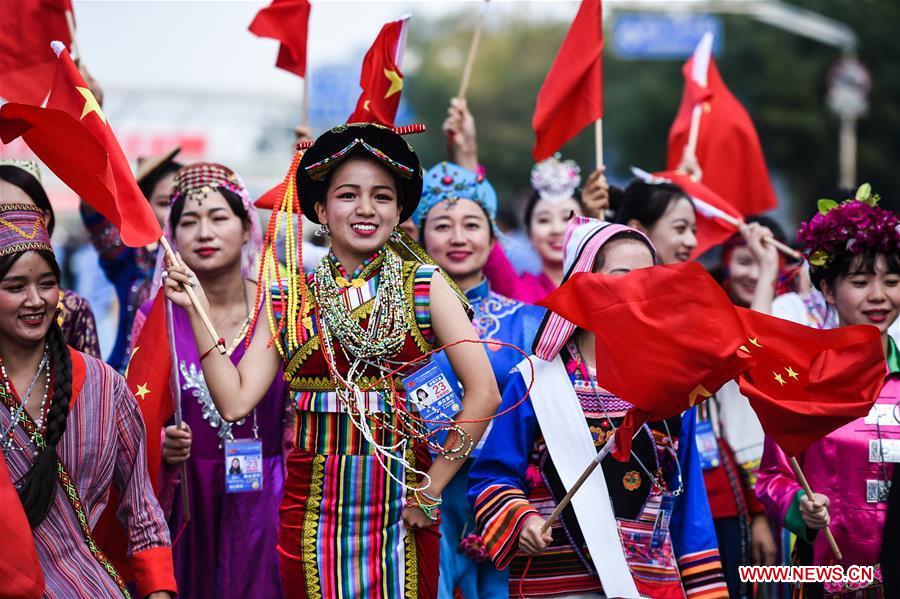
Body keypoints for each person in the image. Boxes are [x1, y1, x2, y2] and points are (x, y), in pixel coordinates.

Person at [163, 123, 501, 598]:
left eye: (382, 197)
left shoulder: (426, 285)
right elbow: (235, 401)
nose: (366, 209)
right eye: (348, 195)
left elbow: (484, 392)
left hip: (402, 510)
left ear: (399, 209)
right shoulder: (287, 298)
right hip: (310, 518)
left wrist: (432, 490)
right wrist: (196, 307)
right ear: (321, 209)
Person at [468, 217, 728, 598]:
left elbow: (690, 507)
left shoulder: (673, 388)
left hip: (652, 585)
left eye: (649, 279)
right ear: (584, 283)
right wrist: (520, 521)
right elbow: (492, 475)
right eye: (621, 275)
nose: (637, 290)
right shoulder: (536, 381)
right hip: (559, 585)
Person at [0, 204, 176, 598]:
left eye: (46, 284)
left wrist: (159, 589)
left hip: (89, 586)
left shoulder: (102, 384)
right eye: (15, 287)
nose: (35, 300)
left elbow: (142, 507)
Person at [134, 162, 290, 599]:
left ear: (246, 230)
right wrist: (160, 443)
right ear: (172, 235)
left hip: (267, 494)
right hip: (186, 496)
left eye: (219, 218)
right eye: (189, 221)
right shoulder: (157, 315)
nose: (204, 232)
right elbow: (136, 412)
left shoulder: (277, 308)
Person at [756, 186, 900, 597]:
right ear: (827, 289)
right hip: (825, 580)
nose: (879, 296)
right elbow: (771, 477)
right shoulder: (802, 379)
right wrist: (800, 507)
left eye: (891, 281)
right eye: (860, 281)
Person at [414, 160, 545, 598]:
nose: (457, 238)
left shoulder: (529, 322)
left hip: (506, 493)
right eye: (442, 225)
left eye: (471, 225)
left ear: (493, 238)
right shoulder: (402, 324)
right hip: (426, 491)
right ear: (419, 235)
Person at [81, 147, 182, 372]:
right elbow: (92, 206)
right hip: (130, 381)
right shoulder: (130, 257)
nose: (175, 213)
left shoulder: (210, 261)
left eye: (182, 202)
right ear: (144, 208)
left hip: (194, 384)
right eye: (165, 203)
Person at [1, 159, 101, 358]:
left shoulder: (74, 309)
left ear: (44, 219)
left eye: (21, 213)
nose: (34, 301)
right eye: (15, 287)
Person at [611, 179, 698, 264]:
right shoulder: (605, 276)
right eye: (680, 228)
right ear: (638, 231)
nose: (692, 242)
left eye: (693, 231)